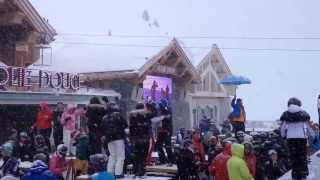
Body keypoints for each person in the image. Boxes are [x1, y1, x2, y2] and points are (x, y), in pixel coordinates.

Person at [280, 97, 311, 180]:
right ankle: (303, 175)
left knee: (293, 158)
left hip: (291, 139)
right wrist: (313, 135)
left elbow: (283, 128)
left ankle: (295, 175)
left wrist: (283, 135)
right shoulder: (303, 114)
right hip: (301, 138)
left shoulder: (286, 114)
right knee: (302, 157)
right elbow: (308, 127)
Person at [101, 102, 127, 179]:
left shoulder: (104, 117)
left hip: (109, 139)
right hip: (118, 138)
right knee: (120, 156)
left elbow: (102, 128)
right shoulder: (118, 115)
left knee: (112, 156)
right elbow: (125, 125)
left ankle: (110, 173)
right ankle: (118, 173)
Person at [128, 103, 152, 177]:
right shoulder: (145, 116)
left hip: (136, 140)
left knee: (137, 155)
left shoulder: (132, 117)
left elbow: (131, 129)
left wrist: (131, 138)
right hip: (144, 139)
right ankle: (141, 171)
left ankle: (136, 171)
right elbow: (148, 126)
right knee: (143, 155)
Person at [155, 99, 174, 166]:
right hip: (161, 131)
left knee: (167, 146)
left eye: (160, 105)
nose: (159, 107)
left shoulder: (168, 110)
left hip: (166, 131)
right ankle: (162, 160)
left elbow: (167, 118)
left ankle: (171, 160)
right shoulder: (159, 111)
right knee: (158, 145)